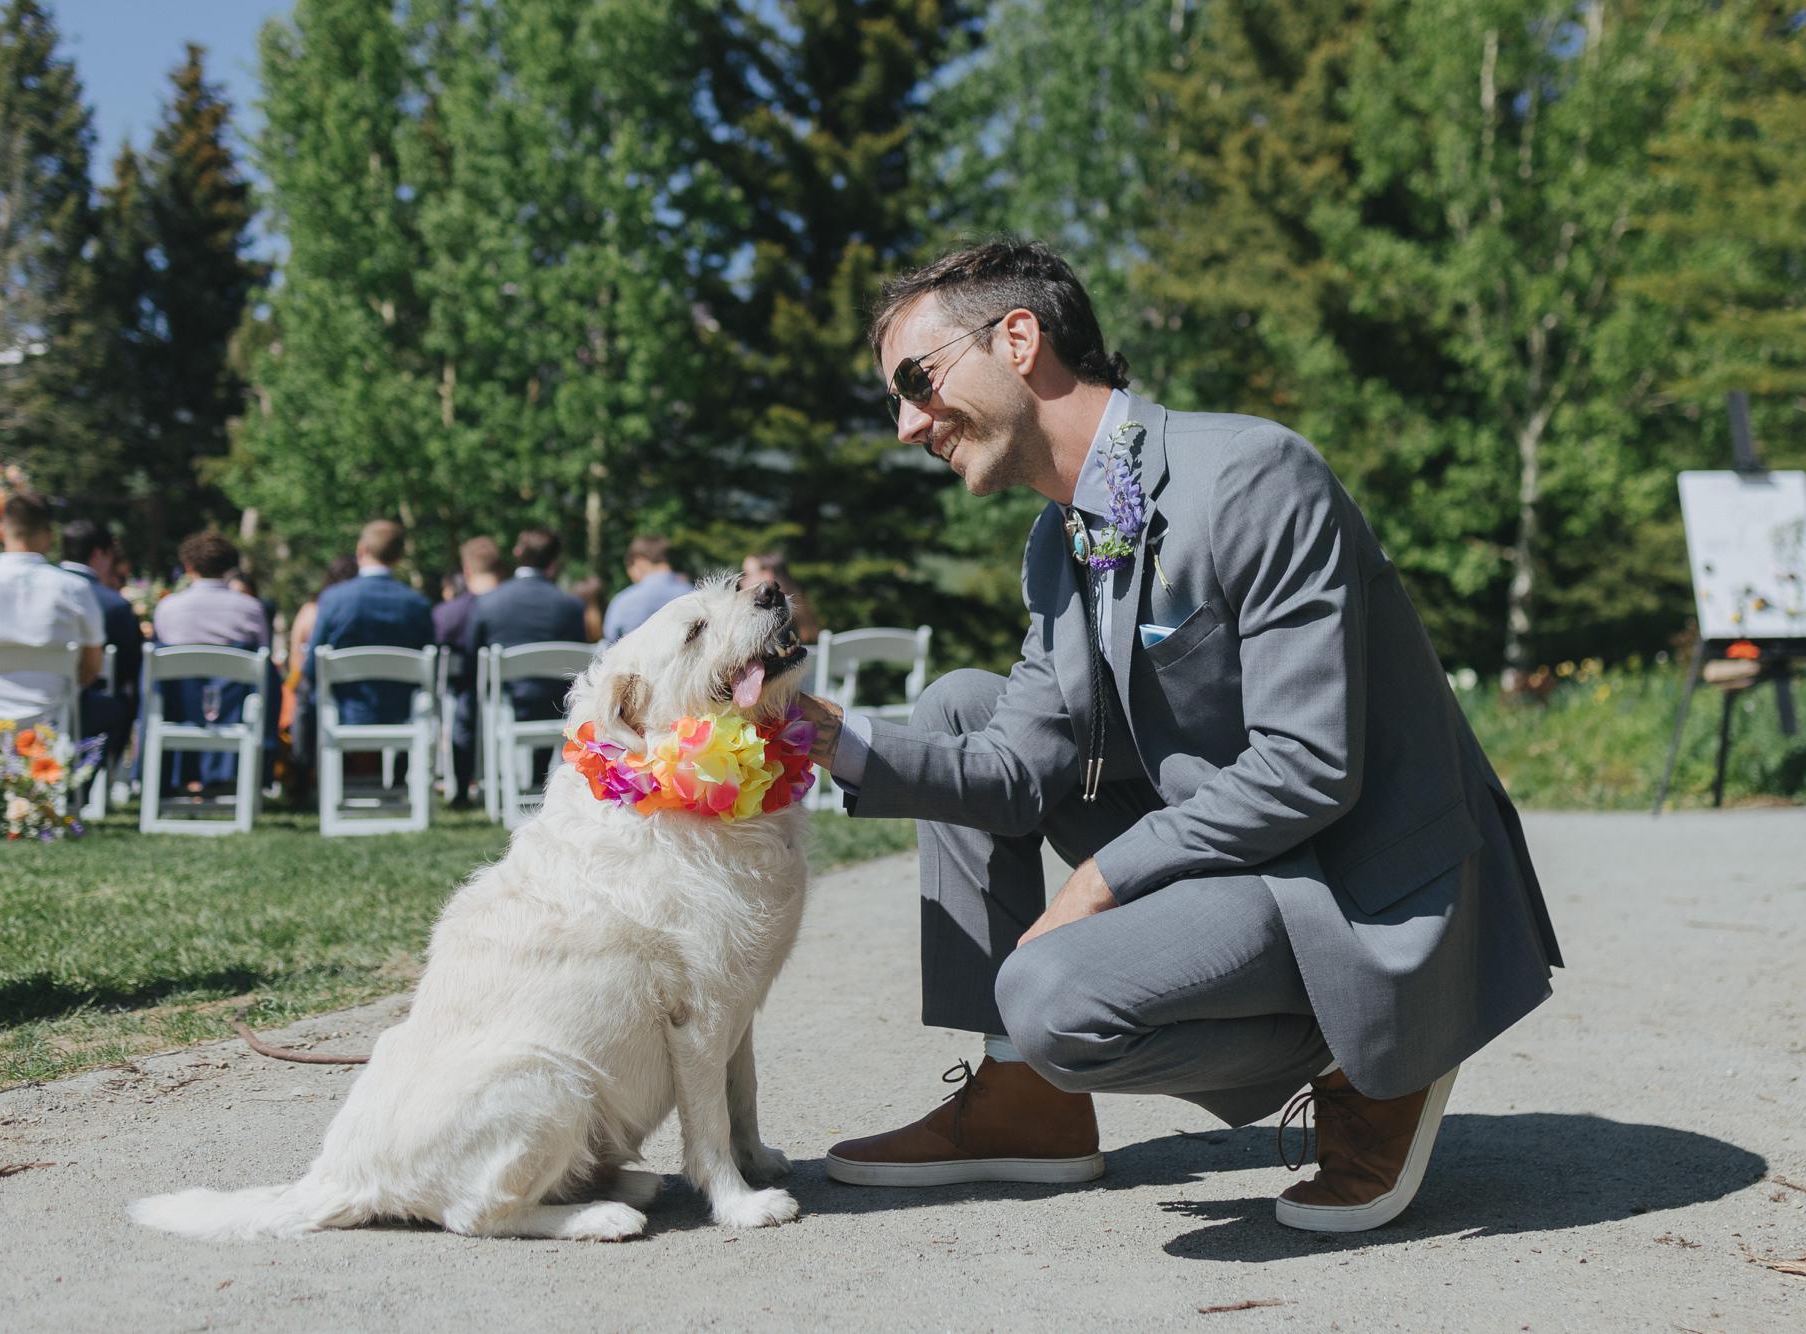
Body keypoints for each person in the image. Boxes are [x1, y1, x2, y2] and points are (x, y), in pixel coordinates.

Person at [796, 239, 1561, 1233]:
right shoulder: (1057, 540)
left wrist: (1096, 880)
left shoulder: (1250, 475)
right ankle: (1023, 1095)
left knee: (1048, 989)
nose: (904, 424)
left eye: (915, 379)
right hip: (1238, 850)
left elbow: (1305, 768)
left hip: (1349, 878)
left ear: (1016, 339)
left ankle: (1369, 1049)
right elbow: (1013, 769)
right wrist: (822, 737)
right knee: (956, 703)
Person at [0, 492, 105, 731]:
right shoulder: (75, 589)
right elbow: (91, 668)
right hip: (53, 721)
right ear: (48, 535)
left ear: (2, 530)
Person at [301, 520, 435, 758]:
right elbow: (431, 665)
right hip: (402, 714)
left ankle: (306, 776)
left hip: (345, 712)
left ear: (361, 549)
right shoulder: (417, 604)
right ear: (399, 557)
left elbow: (312, 667)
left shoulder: (333, 599)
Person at [461, 527, 586, 781]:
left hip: (507, 703)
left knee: (469, 697)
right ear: (555, 562)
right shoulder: (571, 606)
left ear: (517, 553)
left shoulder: (488, 602)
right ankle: (539, 780)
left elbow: (471, 661)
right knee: (554, 689)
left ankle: (468, 784)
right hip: (557, 705)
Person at [153, 531, 272, 791]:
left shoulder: (168, 607)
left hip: (179, 710)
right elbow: (265, 657)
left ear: (188, 567)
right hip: (233, 710)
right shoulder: (250, 608)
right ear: (229, 568)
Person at [58, 519, 144, 773]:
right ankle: (89, 780)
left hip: (12, 695)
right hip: (83, 709)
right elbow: (129, 668)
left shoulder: (35, 590)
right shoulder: (114, 605)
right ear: (99, 554)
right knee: (120, 703)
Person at [431, 537, 503, 807]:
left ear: (467, 570)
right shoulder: (510, 605)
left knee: (463, 706)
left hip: (466, 698)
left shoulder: (447, 614)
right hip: (518, 700)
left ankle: (461, 790)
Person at [281, 554, 359, 787]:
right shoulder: (340, 608)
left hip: (326, 687)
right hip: (349, 689)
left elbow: (297, 658)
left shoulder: (312, 609)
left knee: (303, 704)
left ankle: (302, 771)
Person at [602, 535, 695, 644]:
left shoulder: (623, 601)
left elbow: (609, 644)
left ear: (639, 561)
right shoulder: (693, 595)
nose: (631, 576)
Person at [742, 551, 820, 643]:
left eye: (746, 575)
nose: (742, 582)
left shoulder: (777, 623)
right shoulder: (800, 613)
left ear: (767, 575)